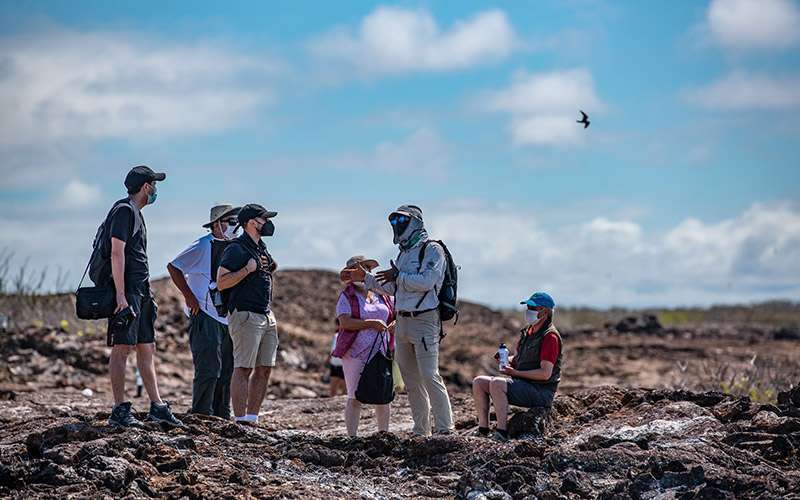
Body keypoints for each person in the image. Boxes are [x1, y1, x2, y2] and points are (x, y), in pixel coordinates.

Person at [351, 205, 454, 436]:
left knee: (429, 373)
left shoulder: (432, 249)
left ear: (415, 221)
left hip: (424, 320)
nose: (397, 225)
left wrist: (399, 276)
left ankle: (445, 429)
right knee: (411, 379)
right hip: (403, 321)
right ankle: (421, 430)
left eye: (402, 220)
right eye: (395, 222)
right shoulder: (403, 253)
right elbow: (392, 288)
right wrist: (367, 279)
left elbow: (428, 280)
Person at [107, 165, 182, 427]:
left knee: (146, 347)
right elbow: (117, 253)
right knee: (122, 348)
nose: (155, 190)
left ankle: (157, 406)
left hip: (141, 291)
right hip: (127, 293)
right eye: (154, 185)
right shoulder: (124, 211)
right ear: (146, 187)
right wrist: (120, 296)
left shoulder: (136, 213)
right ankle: (119, 410)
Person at [167, 204, 241, 418]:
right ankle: (201, 413)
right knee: (208, 368)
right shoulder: (202, 246)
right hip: (204, 314)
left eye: (237, 222)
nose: (235, 227)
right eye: (231, 221)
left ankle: (221, 414)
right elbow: (174, 267)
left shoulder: (235, 247)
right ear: (217, 224)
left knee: (227, 369)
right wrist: (190, 298)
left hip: (227, 317)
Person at [216, 204, 279, 424]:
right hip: (245, 314)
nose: (267, 223)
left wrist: (268, 265)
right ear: (251, 222)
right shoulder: (237, 248)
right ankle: (241, 420)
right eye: (263, 219)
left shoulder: (260, 246)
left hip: (265, 314)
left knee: (264, 368)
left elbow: (266, 267)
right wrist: (246, 270)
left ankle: (252, 419)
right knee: (243, 367)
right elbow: (221, 282)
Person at [472, 292, 563, 441]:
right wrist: (506, 359)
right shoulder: (528, 332)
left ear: (545, 312)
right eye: (528, 306)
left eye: (533, 307)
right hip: (524, 385)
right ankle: (483, 429)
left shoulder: (550, 337)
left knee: (497, 383)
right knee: (479, 382)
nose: (528, 310)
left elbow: (545, 373)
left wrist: (514, 372)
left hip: (540, 392)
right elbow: (521, 358)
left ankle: (502, 432)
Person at [335, 256, 395, 437]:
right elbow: (344, 322)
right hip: (355, 351)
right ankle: (352, 436)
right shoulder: (347, 296)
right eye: (363, 268)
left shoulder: (383, 295)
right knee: (354, 395)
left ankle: (383, 434)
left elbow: (396, 315)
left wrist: (394, 325)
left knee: (384, 393)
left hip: (381, 349)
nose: (366, 271)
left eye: (368, 268)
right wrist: (370, 324)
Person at [327, 319, 346, 397]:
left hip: (342, 364)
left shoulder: (345, 335)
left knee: (344, 389)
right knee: (334, 388)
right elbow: (332, 349)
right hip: (335, 363)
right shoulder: (336, 335)